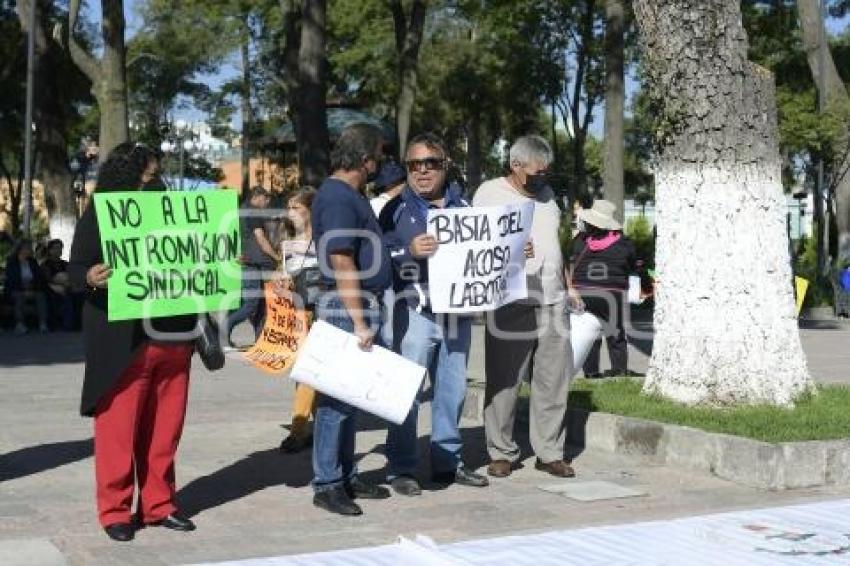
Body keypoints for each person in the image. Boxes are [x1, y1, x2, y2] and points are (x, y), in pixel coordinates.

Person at [68, 142, 198, 542]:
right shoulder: (101, 213)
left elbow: (194, 258)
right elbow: (74, 270)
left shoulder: (174, 211)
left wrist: (221, 262)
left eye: (156, 174)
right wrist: (91, 277)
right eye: (147, 175)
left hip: (173, 338)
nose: (154, 181)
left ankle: (159, 504)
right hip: (122, 342)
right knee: (119, 431)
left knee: (165, 430)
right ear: (126, 176)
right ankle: (115, 510)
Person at [379, 133, 489, 496]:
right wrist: (408, 251)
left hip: (458, 315)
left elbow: (487, 254)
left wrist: (516, 251)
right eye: (414, 165)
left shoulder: (467, 208)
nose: (423, 171)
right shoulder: (394, 211)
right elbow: (378, 260)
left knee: (453, 392)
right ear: (406, 169)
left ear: (446, 166)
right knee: (406, 392)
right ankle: (401, 468)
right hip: (415, 314)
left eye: (431, 163)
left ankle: (447, 462)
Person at [473, 135, 576, 479]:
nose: (542, 179)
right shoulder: (488, 193)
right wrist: (511, 250)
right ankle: (501, 451)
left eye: (547, 173)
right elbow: (476, 247)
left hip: (552, 299)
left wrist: (568, 285)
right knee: (505, 380)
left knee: (552, 379)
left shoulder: (548, 197)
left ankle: (549, 452)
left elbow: (556, 244)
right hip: (510, 300)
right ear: (515, 166)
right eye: (536, 173)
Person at [310, 123, 393, 516]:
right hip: (347, 308)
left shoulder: (345, 194)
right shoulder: (340, 198)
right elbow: (342, 261)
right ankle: (327, 482)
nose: (381, 162)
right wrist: (360, 321)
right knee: (335, 401)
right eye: (379, 154)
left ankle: (344, 474)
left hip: (353, 305)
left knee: (350, 397)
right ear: (365, 159)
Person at [569, 199, 640, 378]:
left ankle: (591, 373)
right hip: (612, 295)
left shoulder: (580, 241)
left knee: (589, 333)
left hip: (582, 292)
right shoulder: (624, 243)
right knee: (615, 333)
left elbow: (571, 260)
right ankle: (619, 370)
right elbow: (634, 266)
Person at [277, 187, 319, 454]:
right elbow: (281, 273)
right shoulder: (287, 244)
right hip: (296, 311)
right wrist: (280, 281)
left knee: (307, 370)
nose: (290, 213)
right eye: (288, 207)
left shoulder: (323, 240)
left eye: (296, 207)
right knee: (304, 371)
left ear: (310, 210)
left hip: (319, 311)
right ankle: (312, 425)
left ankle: (299, 429)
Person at [225, 186, 281, 348]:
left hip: (247, 262)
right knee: (251, 304)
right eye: (266, 199)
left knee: (255, 303)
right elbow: (261, 239)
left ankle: (259, 338)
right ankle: (223, 330)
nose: (267, 203)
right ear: (257, 196)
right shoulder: (253, 212)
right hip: (252, 264)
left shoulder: (241, 210)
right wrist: (276, 258)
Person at [4, 238, 49, 334]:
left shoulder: (32, 262)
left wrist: (32, 288)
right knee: (19, 296)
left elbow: (39, 278)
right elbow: (11, 280)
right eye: (26, 248)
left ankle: (43, 323)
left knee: (40, 295)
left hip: (31, 289)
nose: (28, 250)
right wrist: (24, 290)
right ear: (20, 249)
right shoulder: (12, 262)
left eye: (29, 248)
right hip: (16, 290)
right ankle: (20, 324)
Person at [41, 239, 82, 331]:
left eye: (60, 248)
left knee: (79, 294)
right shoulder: (45, 264)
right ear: (50, 250)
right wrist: (61, 283)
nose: (58, 250)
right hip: (51, 288)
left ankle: (78, 323)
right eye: (55, 248)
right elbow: (48, 279)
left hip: (68, 286)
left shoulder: (65, 264)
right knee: (64, 296)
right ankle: (66, 325)